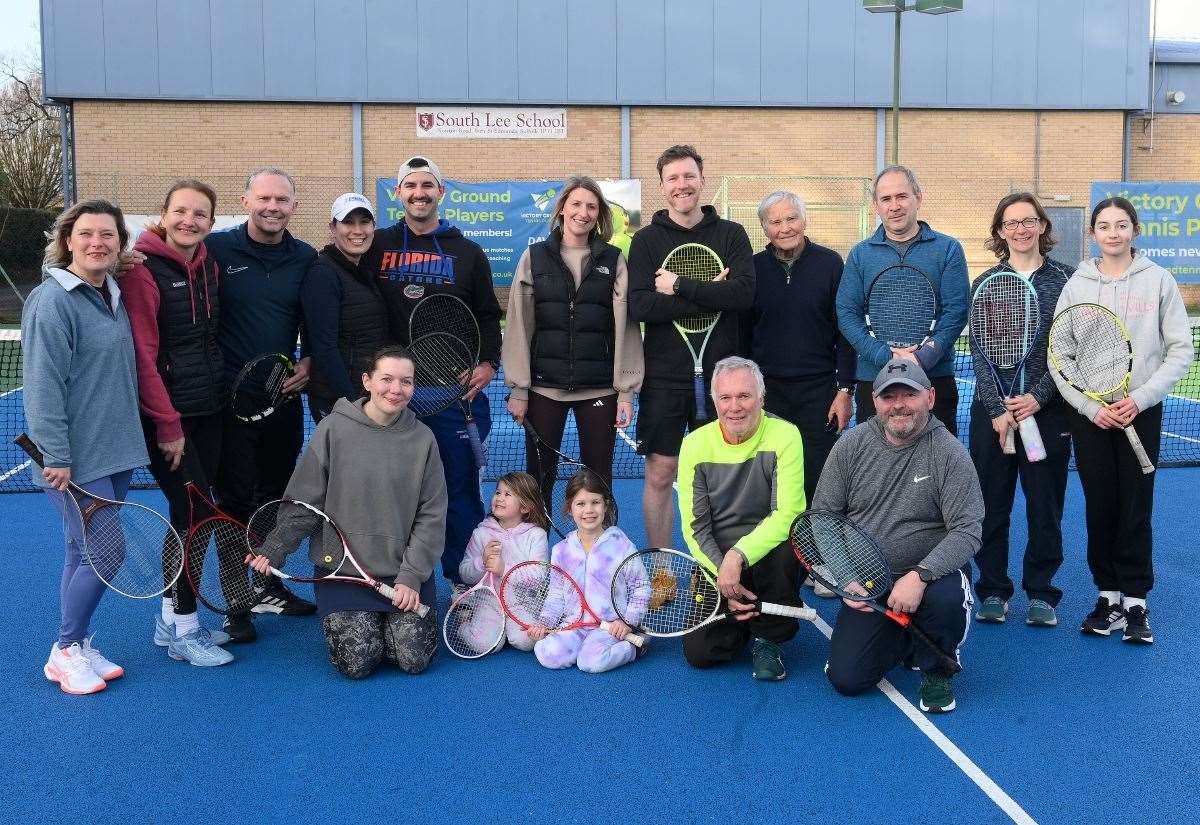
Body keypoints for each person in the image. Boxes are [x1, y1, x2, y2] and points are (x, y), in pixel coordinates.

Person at [247, 346, 446, 678]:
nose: (396, 389)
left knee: (413, 660)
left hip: (403, 576)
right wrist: (275, 547)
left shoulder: (424, 439)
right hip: (343, 572)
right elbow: (305, 502)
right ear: (367, 381)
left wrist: (411, 577)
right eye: (387, 379)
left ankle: (390, 624)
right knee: (357, 666)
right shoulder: (333, 430)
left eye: (406, 382)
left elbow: (432, 515)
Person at [1050, 197, 1193, 644]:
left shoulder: (1159, 281)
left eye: (1121, 225)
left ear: (1134, 231)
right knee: (1100, 506)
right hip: (1092, 417)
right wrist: (1092, 407)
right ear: (1093, 234)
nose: (1113, 233)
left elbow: (1180, 349)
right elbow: (1061, 356)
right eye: (1105, 226)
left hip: (1141, 413)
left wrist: (1143, 398)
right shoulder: (1078, 284)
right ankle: (1107, 597)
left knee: (1136, 507)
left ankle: (1136, 602)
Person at [23, 200, 149, 694]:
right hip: (73, 458)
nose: (97, 242)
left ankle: (75, 646)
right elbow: (42, 385)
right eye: (87, 234)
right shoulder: (52, 300)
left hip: (115, 449)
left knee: (81, 551)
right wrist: (54, 454)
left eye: (108, 235)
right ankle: (65, 648)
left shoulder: (112, 292)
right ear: (67, 241)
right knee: (107, 549)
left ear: (120, 245)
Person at [363, 156, 503, 598]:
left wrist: (489, 363)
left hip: (453, 394)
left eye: (428, 185)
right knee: (393, 492)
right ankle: (395, 581)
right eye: (411, 185)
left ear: (440, 193)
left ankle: (465, 581)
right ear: (398, 194)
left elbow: (487, 315)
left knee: (459, 489)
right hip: (393, 393)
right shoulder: (375, 245)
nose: (419, 193)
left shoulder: (467, 251)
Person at [813, 358, 983, 713]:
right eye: (890, 397)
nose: (899, 405)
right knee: (847, 679)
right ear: (874, 401)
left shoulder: (949, 453)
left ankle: (938, 669)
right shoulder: (850, 446)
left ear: (930, 398)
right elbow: (825, 519)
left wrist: (920, 576)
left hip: (930, 578)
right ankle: (902, 637)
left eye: (910, 394)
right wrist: (847, 578)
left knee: (946, 598)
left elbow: (967, 530)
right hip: (869, 581)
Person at [121, 180, 234, 665]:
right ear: (163, 214)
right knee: (195, 515)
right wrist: (168, 424)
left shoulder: (208, 264)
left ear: (212, 222)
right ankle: (187, 630)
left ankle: (170, 622)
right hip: (170, 419)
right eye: (181, 211)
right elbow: (144, 356)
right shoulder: (141, 272)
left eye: (201, 214)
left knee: (190, 515)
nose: (190, 220)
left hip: (210, 409)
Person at [206, 166, 319, 641]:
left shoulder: (306, 258)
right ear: (246, 199)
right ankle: (236, 600)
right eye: (265, 198)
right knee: (233, 502)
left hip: (283, 401)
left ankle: (266, 581)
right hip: (228, 404)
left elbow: (313, 317)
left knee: (275, 496)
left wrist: (309, 360)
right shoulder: (216, 249)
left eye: (282, 200)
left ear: (293, 206)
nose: (273, 207)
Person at [628, 145, 756, 548]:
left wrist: (679, 285)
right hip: (664, 378)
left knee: (722, 476)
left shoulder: (731, 234)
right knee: (662, 473)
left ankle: (715, 569)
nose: (682, 185)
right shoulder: (647, 240)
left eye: (688, 176)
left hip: (725, 381)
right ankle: (663, 565)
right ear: (662, 186)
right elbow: (640, 304)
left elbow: (743, 296)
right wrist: (709, 292)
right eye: (673, 178)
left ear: (702, 180)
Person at [502, 176, 644, 507]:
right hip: (542, 389)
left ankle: (603, 557)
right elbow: (519, 325)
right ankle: (535, 555)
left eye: (592, 206)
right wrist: (519, 389)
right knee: (538, 480)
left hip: (600, 391)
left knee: (599, 480)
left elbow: (626, 328)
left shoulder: (613, 260)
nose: (583, 212)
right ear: (563, 208)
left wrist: (625, 392)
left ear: (599, 214)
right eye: (576, 204)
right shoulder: (534, 257)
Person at [969, 193, 1074, 628]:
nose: (1021, 229)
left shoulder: (1069, 281)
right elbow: (977, 350)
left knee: (1044, 507)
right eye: (1011, 223)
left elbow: (1072, 350)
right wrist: (998, 409)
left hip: (1046, 414)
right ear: (999, 232)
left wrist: (1038, 397)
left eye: (1029, 221)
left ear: (1043, 227)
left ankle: (1042, 593)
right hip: (993, 416)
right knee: (991, 505)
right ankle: (993, 590)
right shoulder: (986, 284)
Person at [676, 356, 807, 681]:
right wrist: (723, 574)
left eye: (744, 396)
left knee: (792, 543)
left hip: (768, 553)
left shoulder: (786, 435)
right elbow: (695, 527)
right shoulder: (693, 445)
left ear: (761, 398)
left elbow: (788, 513)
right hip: (719, 562)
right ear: (714, 401)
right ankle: (743, 616)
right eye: (726, 397)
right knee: (701, 654)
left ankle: (769, 637)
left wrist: (738, 556)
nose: (735, 406)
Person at [741, 191, 855, 510]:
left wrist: (844, 390)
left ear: (804, 221)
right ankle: (775, 559)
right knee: (769, 486)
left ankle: (816, 558)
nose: (785, 227)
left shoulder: (831, 263)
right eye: (775, 221)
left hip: (819, 395)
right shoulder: (752, 269)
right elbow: (741, 336)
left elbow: (845, 332)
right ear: (765, 229)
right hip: (768, 395)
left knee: (819, 483)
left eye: (791, 218)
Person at [835, 165, 969, 435]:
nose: (894, 206)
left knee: (938, 465)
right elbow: (846, 313)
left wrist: (925, 356)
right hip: (873, 378)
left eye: (902, 196)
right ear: (876, 205)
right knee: (877, 466)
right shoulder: (860, 254)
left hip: (934, 377)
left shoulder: (948, 249)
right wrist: (884, 355)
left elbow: (956, 310)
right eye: (886, 199)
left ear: (918, 198)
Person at [529, 470, 647, 673]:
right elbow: (556, 594)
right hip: (574, 624)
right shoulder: (561, 551)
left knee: (590, 663)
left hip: (611, 626)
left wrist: (627, 622)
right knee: (547, 654)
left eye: (595, 502)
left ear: (606, 505)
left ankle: (634, 647)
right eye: (580, 504)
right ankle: (582, 646)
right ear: (570, 508)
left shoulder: (622, 546)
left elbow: (641, 586)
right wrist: (544, 622)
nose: (589, 510)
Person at [301, 193, 388, 421]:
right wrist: (352, 403)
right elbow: (324, 348)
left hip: (365, 396)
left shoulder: (362, 272)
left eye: (364, 222)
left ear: (373, 227)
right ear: (333, 227)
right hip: (341, 402)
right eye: (348, 222)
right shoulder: (323, 274)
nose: (357, 231)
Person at [458, 471, 550, 653]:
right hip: (489, 601)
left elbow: (539, 577)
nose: (499, 498)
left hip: (523, 601)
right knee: (486, 646)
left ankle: (507, 630)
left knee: (525, 642)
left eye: (508, 494)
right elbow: (464, 573)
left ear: (525, 507)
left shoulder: (536, 536)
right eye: (498, 492)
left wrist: (503, 569)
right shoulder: (481, 533)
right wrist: (482, 562)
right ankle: (464, 618)